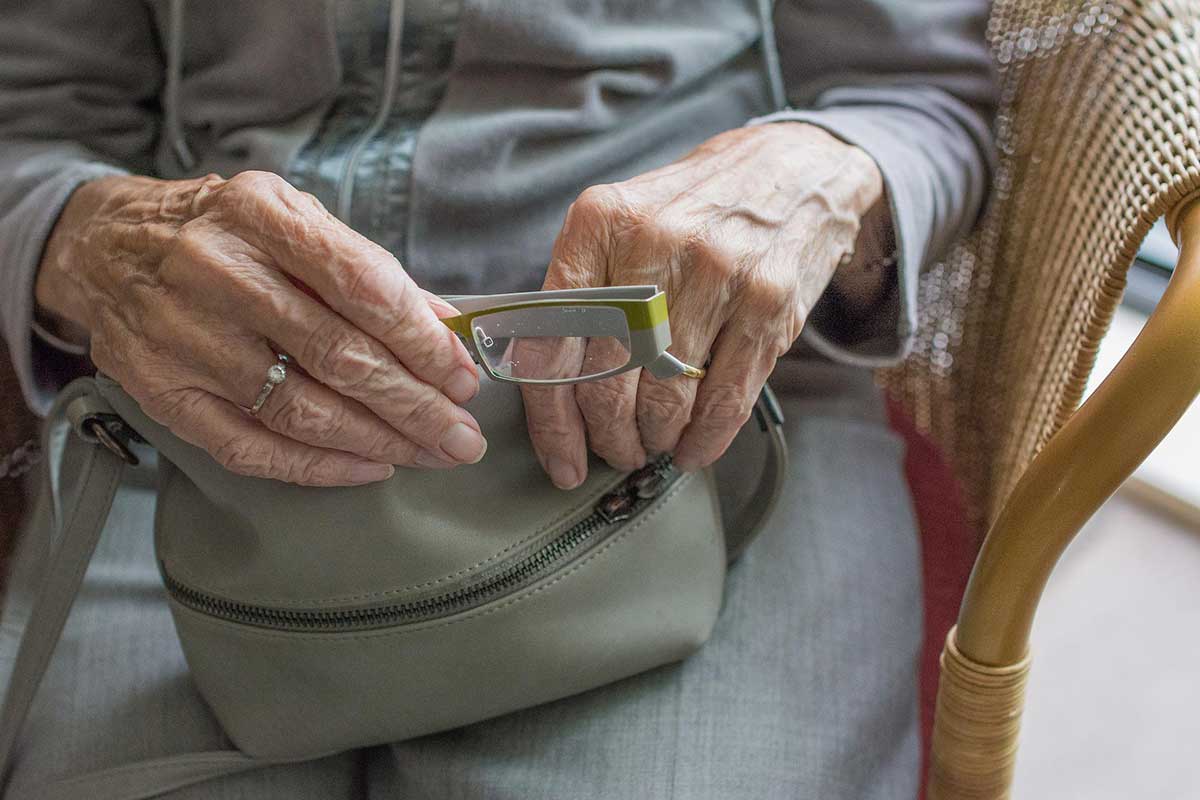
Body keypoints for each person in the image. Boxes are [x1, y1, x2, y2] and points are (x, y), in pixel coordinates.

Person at [0, 1, 995, 797]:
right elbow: (34, 124)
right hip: (210, 414)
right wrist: (100, 242)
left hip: (675, 423)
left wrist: (807, 173)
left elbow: (919, 104)